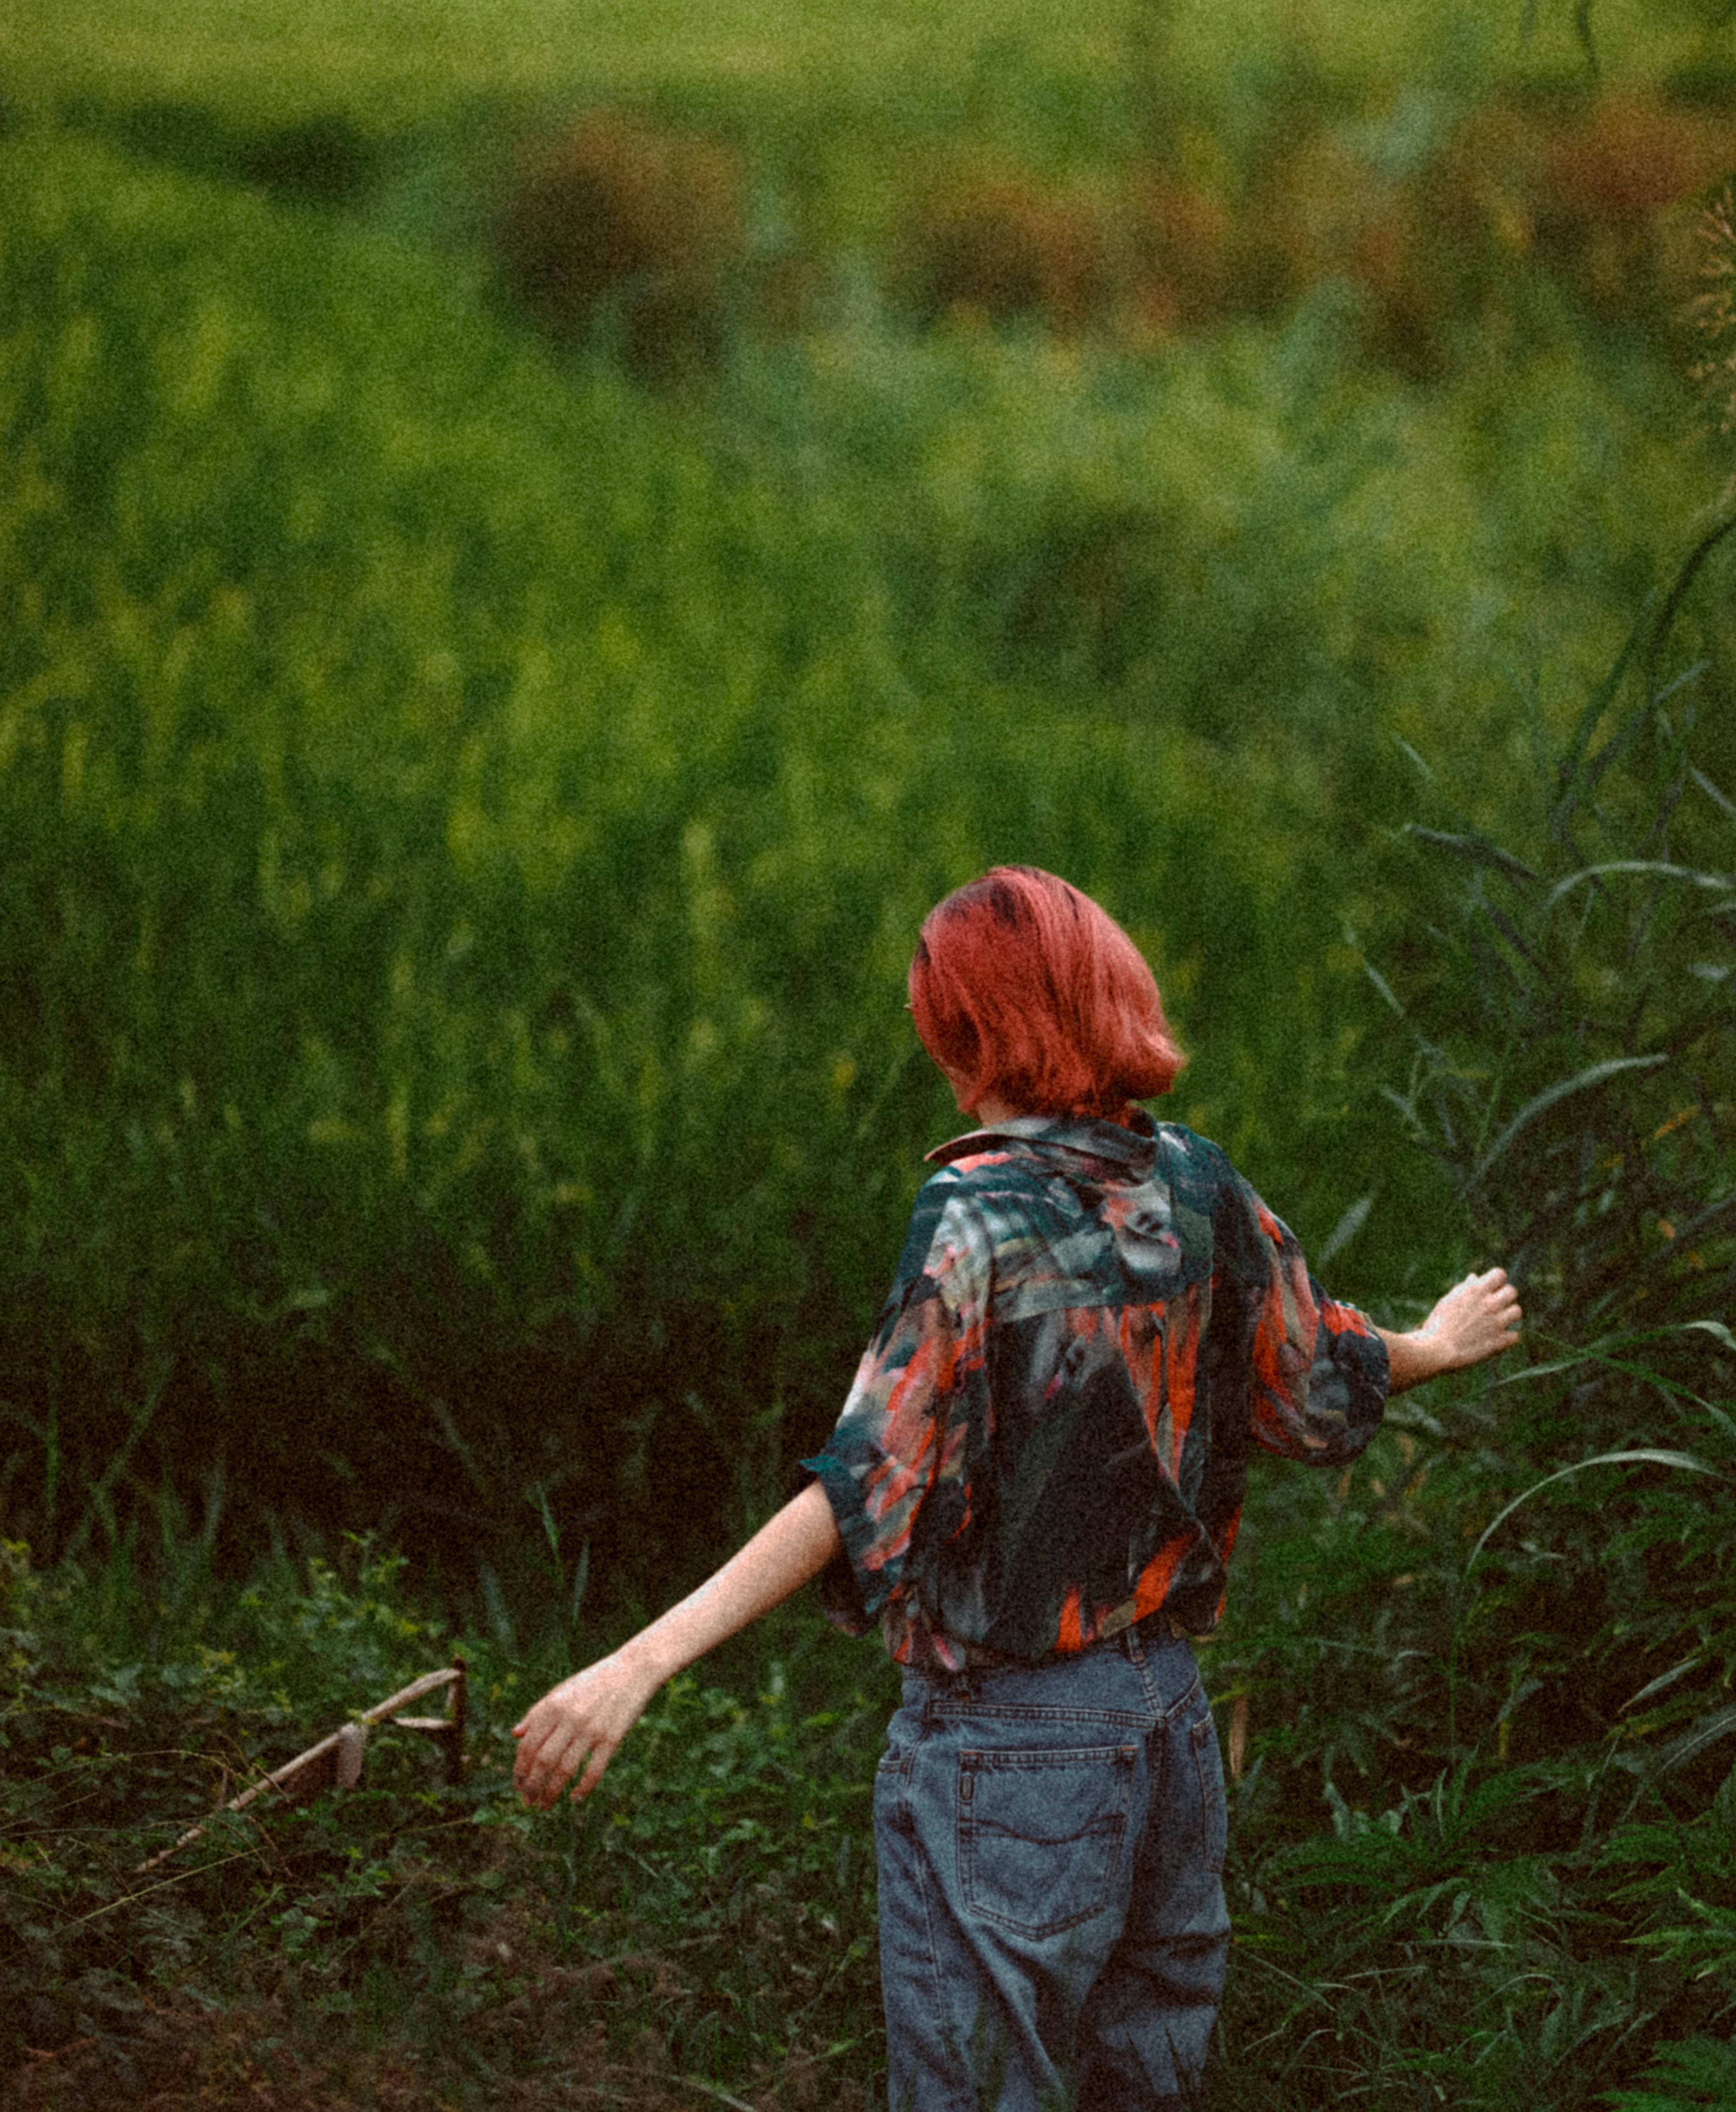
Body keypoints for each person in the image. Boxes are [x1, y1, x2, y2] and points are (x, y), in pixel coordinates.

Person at [514, 866, 1521, 2110]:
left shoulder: (976, 1215)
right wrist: (1434, 1342)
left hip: (1014, 1753)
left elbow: (867, 1484)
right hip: (1169, 1728)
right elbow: (1312, 1385)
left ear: (971, 1032)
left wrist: (636, 1665)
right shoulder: (1197, 1183)